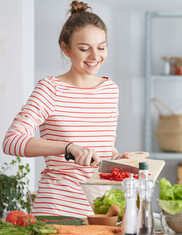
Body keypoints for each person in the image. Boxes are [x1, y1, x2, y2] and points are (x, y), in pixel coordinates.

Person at [2, 1, 127, 217]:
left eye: (101, 47)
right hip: (57, 209)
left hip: (101, 211)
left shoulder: (110, 90)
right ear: (66, 49)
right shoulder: (50, 89)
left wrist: (115, 159)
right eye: (84, 48)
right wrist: (68, 147)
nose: (95, 56)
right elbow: (11, 141)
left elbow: (100, 145)